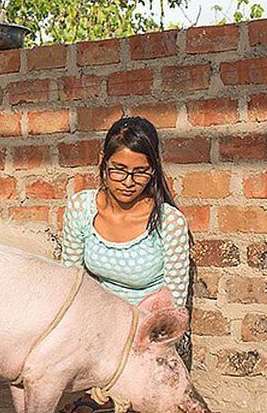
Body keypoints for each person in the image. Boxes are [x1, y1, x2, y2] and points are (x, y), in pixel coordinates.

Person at [58, 116, 191, 413]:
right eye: (119, 170)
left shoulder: (168, 222)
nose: (129, 182)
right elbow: (71, 281)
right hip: (98, 332)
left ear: (154, 169)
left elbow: (172, 309)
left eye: (140, 172)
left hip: (149, 340)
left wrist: (135, 344)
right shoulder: (81, 208)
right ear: (103, 162)